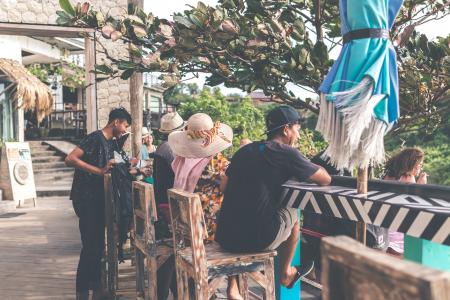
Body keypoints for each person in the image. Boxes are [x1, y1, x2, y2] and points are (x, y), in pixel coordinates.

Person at [215, 105, 331, 289]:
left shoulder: (245, 150)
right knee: (294, 207)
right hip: (256, 240)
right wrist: (312, 165)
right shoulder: (286, 153)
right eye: (297, 130)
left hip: (225, 236)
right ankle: (286, 273)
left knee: (248, 211)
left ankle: (233, 289)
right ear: (286, 129)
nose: (299, 136)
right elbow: (325, 179)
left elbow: (223, 187)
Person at [168, 113, 241, 299]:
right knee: (241, 235)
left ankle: (222, 289)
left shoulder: (182, 162)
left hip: (185, 232)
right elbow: (234, 184)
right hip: (207, 234)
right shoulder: (215, 163)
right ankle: (233, 288)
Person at [65, 107, 132, 300]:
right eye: (124, 125)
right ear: (116, 122)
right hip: (86, 199)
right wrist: (99, 171)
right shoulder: (95, 138)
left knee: (97, 247)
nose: (124, 129)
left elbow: (115, 165)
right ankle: (82, 292)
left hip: (98, 199)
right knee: (90, 247)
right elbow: (70, 158)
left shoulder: (111, 142)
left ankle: (96, 289)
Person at [152, 111, 186, 300]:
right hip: (168, 212)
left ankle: (177, 291)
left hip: (162, 207)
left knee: (171, 257)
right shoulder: (171, 148)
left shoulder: (163, 146)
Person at [383, 147, 427, 256]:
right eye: (420, 164)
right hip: (398, 230)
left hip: (385, 227)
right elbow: (414, 205)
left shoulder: (387, 176)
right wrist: (421, 186)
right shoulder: (408, 178)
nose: (420, 168)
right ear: (412, 163)